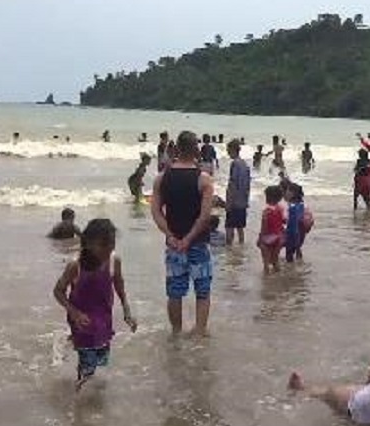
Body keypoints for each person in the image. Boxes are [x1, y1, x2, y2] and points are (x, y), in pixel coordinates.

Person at [52, 219, 137, 391]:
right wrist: (74, 313)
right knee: (88, 366)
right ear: (89, 244)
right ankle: (79, 401)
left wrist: (127, 311)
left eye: (112, 243)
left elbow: (119, 287)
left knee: (101, 360)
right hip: (81, 320)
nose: (109, 248)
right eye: (103, 244)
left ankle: (90, 394)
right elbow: (58, 291)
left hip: (104, 318)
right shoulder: (75, 265)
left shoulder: (114, 261)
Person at [150, 131, 215, 336]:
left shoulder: (162, 178)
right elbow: (204, 217)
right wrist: (189, 238)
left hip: (174, 244)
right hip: (198, 243)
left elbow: (156, 211)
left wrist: (170, 235)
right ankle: (199, 331)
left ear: (176, 149)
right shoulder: (203, 179)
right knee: (202, 291)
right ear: (197, 149)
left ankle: (176, 333)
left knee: (175, 292)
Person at [225, 139, 252, 245]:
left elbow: (233, 184)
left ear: (233, 149)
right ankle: (240, 252)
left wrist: (229, 202)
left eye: (228, 150)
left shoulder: (234, 164)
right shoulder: (245, 164)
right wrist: (246, 200)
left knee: (229, 227)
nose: (227, 152)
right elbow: (247, 185)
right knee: (240, 228)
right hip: (242, 201)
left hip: (234, 201)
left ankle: (229, 252)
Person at [257, 185, 286, 273]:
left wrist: (260, 238)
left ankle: (267, 280)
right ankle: (278, 277)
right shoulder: (280, 209)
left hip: (268, 238)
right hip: (279, 237)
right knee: (275, 260)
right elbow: (284, 221)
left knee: (266, 262)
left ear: (269, 197)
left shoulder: (266, 211)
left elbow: (264, 226)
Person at [285, 183, 307, 262]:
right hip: (301, 232)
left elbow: (293, 225)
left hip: (293, 234)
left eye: (287, 191)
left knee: (289, 256)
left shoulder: (292, 208)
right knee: (297, 251)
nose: (286, 192)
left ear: (292, 193)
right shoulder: (301, 204)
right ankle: (300, 265)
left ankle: (291, 272)